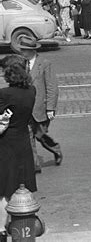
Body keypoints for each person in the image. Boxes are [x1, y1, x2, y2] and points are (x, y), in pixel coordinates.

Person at [0, 62, 37, 236]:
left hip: (6, 144)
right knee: (21, 184)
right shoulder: (32, 91)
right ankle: (21, 225)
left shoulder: (4, 94)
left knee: (4, 189)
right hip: (23, 141)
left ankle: (1, 228)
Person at [18, 36, 61, 172]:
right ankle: (35, 165)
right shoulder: (20, 64)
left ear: (32, 51)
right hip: (26, 108)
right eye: (21, 49)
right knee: (28, 136)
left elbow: (52, 87)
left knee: (40, 135)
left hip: (40, 107)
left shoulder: (45, 63)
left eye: (24, 50)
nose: (22, 52)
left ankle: (55, 149)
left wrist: (50, 108)